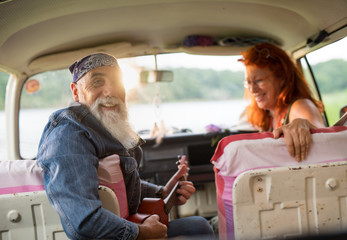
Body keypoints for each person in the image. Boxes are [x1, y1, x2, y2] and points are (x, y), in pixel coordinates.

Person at [36, 53, 214, 239]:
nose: (110, 91)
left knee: (199, 226)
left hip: (127, 225)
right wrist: (140, 232)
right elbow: (84, 221)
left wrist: (162, 192)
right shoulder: (69, 135)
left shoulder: (104, 127)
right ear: (75, 91)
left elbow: (118, 182)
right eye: (97, 82)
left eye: (117, 83)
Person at [239, 43, 326, 162]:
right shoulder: (266, 115)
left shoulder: (301, 106)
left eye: (258, 80)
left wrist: (303, 124)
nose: (252, 90)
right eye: (248, 82)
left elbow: (323, 140)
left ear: (281, 77)